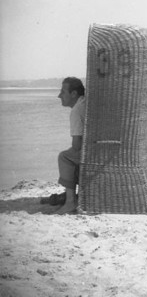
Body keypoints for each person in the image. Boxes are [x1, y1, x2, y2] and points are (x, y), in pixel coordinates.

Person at [55, 77, 86, 214]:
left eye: (63, 92)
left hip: (92, 155)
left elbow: (77, 145)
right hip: (103, 151)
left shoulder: (76, 110)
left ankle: (70, 202)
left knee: (64, 157)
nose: (59, 95)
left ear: (74, 94)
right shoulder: (85, 103)